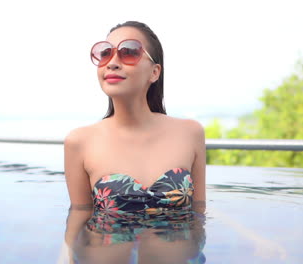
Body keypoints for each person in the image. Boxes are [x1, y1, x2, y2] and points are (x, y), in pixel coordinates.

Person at [61, 21, 207, 263]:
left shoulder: (190, 133)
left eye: (129, 51)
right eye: (105, 53)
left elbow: (199, 210)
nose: (112, 61)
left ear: (154, 72)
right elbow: (78, 217)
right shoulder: (79, 142)